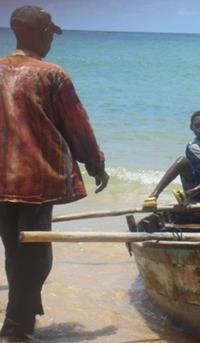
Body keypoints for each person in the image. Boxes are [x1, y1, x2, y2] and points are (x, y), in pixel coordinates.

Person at [0, 5, 109, 340]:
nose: (52, 41)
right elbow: (76, 125)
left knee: (14, 252)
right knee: (36, 256)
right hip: (36, 180)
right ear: (43, 33)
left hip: (1, 181)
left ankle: (22, 319)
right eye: (50, 34)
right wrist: (95, 162)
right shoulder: (52, 74)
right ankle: (16, 327)